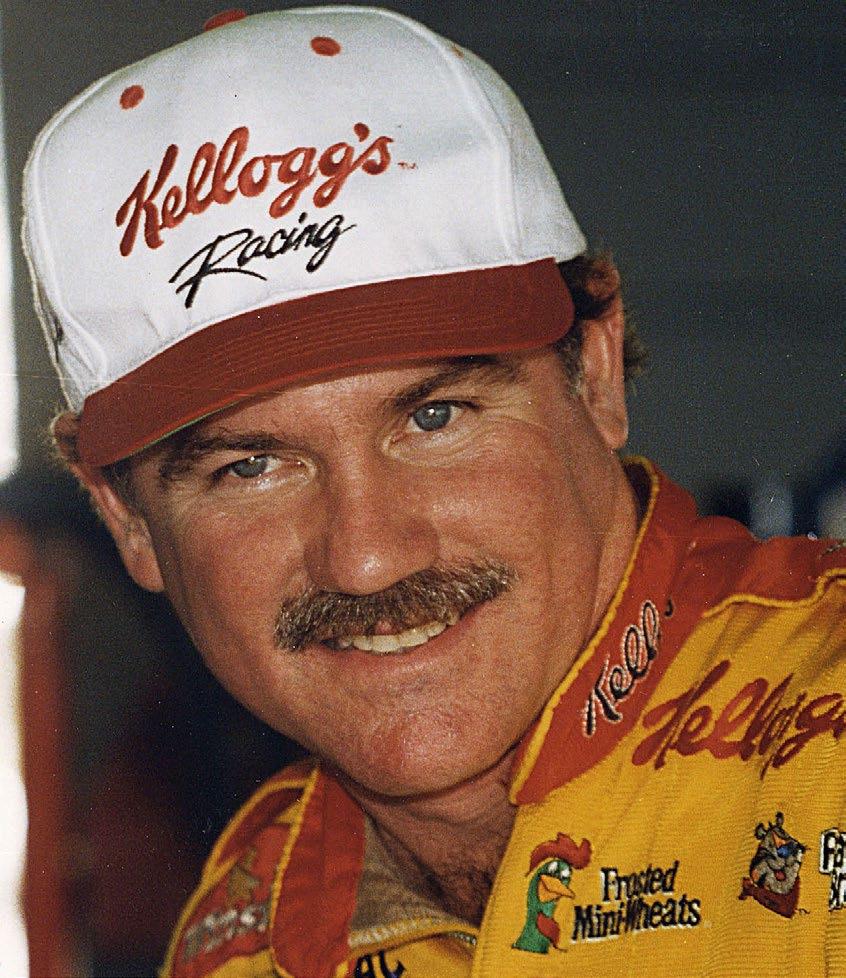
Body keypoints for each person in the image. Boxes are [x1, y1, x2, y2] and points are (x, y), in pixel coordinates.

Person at [22, 8, 845, 977]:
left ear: (595, 373)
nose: (367, 557)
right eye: (250, 467)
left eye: (434, 417)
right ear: (126, 519)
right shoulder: (239, 940)